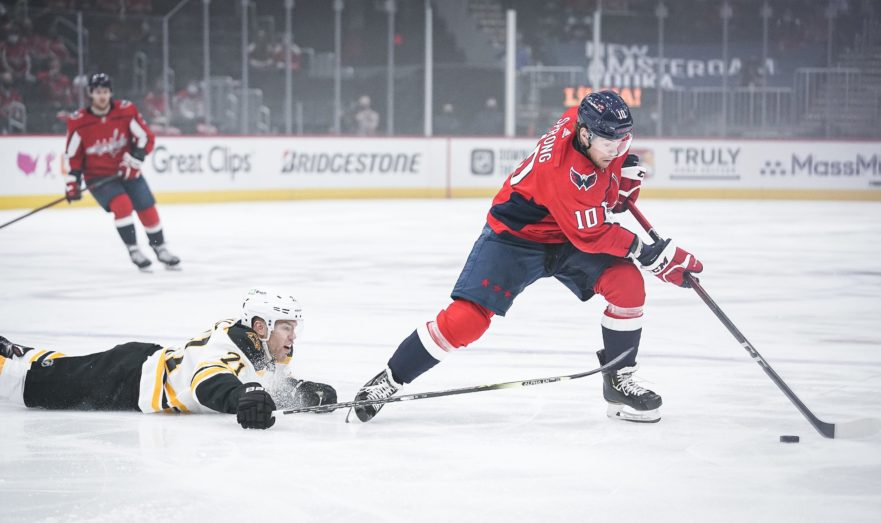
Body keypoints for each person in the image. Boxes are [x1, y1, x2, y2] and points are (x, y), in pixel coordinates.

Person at [349, 90, 703, 424]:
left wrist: (618, 172)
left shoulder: (582, 122)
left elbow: (600, 196)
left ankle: (618, 381)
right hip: (515, 238)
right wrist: (650, 254)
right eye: (608, 144)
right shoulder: (566, 174)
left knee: (626, 284)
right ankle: (390, 379)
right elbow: (593, 233)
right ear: (584, 135)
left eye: (622, 141)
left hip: (565, 233)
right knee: (467, 320)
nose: (615, 149)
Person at [0, 288, 337, 430]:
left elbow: (264, 385)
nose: (293, 336)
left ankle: (22, 354)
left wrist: (301, 390)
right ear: (261, 327)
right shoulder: (228, 347)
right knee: (32, 387)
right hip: (126, 380)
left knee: (63, 370)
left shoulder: (264, 347)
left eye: (294, 327)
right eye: (286, 327)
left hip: (139, 363)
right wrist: (240, 398)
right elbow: (208, 383)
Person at [65, 72, 180, 270]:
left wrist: (134, 160)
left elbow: (145, 137)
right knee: (122, 205)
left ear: (111, 92)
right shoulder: (79, 121)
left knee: (147, 208)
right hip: (98, 177)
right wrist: (72, 181)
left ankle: (160, 247)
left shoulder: (125, 111)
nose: (102, 96)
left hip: (128, 171)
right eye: (97, 92)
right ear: (91, 94)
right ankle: (134, 249)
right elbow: (73, 155)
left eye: (105, 91)